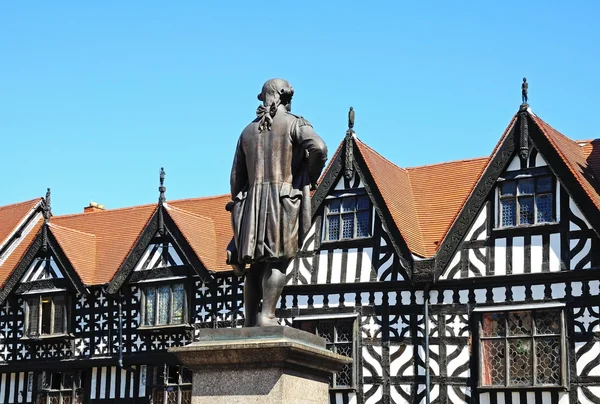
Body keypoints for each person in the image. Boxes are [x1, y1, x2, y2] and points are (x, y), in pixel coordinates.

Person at [227, 79, 328, 327]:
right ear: (285, 97)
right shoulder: (295, 124)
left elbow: (235, 179)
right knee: (278, 260)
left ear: (265, 98)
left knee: (256, 265)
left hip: (252, 204)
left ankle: (250, 319)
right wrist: (307, 174)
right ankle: (267, 316)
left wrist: (242, 203)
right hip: (282, 201)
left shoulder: (246, 132)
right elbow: (319, 147)